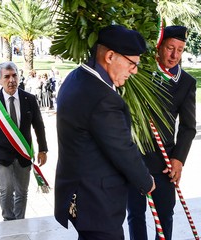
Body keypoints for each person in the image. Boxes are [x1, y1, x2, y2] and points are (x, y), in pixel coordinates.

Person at [54, 25, 156, 240]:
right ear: (110, 56)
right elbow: (122, 149)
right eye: (132, 63)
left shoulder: (76, 77)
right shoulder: (102, 98)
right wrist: (146, 181)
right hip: (96, 201)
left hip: (80, 193)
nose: (135, 71)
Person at [127, 26, 196, 240]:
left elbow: (188, 127)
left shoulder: (186, 83)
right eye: (170, 48)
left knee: (165, 215)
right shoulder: (139, 73)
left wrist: (178, 160)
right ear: (159, 47)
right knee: (135, 214)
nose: (175, 55)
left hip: (165, 164)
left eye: (180, 49)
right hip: (134, 158)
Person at [0, 61, 48, 221]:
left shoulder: (29, 99)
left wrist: (43, 149)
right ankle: (8, 221)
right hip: (0, 154)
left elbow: (39, 125)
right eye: (7, 77)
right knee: (7, 188)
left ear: (19, 76)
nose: (12, 80)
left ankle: (19, 222)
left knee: (22, 191)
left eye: (14, 75)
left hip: (23, 154)